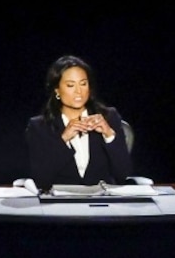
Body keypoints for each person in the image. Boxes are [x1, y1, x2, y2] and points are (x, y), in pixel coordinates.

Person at [25, 54, 137, 189]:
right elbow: (41, 179)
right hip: (60, 205)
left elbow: (123, 173)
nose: (79, 91)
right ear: (57, 90)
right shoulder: (40, 126)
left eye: (83, 84)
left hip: (102, 202)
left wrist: (108, 134)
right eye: (70, 85)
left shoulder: (109, 117)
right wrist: (63, 139)